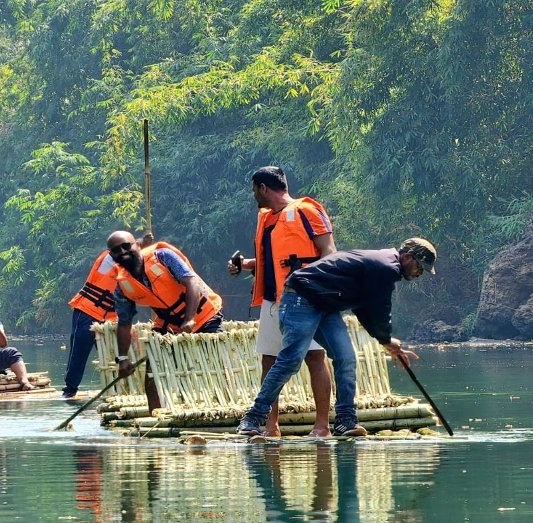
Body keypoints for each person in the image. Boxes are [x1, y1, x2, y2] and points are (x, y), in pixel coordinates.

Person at [236, 238, 437, 436]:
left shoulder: (382, 266)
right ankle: (253, 418)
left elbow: (365, 308)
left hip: (325, 305)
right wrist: (386, 339)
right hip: (301, 297)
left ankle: (345, 421)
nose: (420, 273)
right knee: (291, 360)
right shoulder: (386, 267)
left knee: (346, 358)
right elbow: (380, 308)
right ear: (408, 257)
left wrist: (385, 340)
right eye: (420, 267)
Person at [228, 166, 335, 437]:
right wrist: (245, 265)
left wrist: (316, 290)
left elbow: (329, 252)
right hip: (273, 299)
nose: (254, 196)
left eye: (254, 190)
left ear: (263, 188)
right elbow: (272, 261)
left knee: (314, 357)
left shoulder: (307, 210)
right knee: (269, 361)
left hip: (305, 300)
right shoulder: (267, 219)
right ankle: (270, 427)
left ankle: (322, 427)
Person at [108, 230, 224, 412]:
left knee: (215, 364)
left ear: (137, 245)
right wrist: (123, 359)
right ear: (111, 256)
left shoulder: (162, 256)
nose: (122, 252)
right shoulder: (122, 286)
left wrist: (189, 318)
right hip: (169, 325)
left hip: (203, 316)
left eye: (126, 246)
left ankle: (218, 406)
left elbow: (191, 282)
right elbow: (124, 322)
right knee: (153, 368)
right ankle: (157, 413)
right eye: (116, 250)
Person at [62, 234, 154, 399]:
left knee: (114, 354)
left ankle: (120, 390)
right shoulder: (108, 258)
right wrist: (141, 242)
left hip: (111, 319)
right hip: (87, 311)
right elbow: (126, 252)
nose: (122, 252)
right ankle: (70, 390)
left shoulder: (132, 268)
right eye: (118, 249)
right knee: (79, 352)